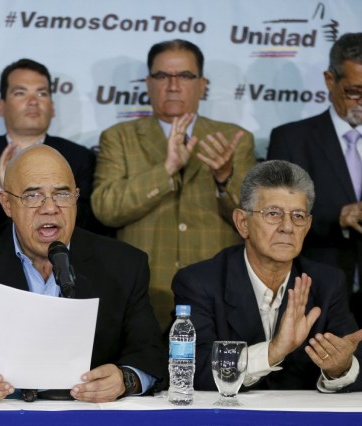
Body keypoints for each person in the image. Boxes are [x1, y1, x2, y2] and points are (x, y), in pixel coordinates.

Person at [0, 144, 165, 403]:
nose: (50, 208)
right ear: (7, 203)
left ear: (76, 197)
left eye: (62, 195)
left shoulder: (123, 263)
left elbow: (151, 355)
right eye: (32, 196)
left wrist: (124, 380)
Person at [91, 39, 256, 330]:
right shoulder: (119, 137)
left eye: (185, 76)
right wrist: (166, 169)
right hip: (143, 293)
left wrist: (224, 177)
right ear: (148, 83)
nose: (173, 85)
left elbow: (253, 220)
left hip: (216, 294)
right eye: (163, 76)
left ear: (202, 84)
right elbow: (106, 208)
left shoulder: (233, 139)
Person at [172, 160, 362, 392]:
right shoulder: (200, 282)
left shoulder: (327, 283)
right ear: (242, 223)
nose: (287, 227)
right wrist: (273, 351)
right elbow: (190, 371)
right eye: (273, 213)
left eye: (298, 216)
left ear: (307, 226)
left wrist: (340, 368)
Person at [268, 32, 362, 344]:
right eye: (355, 92)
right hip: (313, 295)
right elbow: (273, 220)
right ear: (330, 80)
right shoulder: (291, 140)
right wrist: (338, 218)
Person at [0, 58, 103, 237]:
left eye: (41, 93)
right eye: (20, 93)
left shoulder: (78, 158)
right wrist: (2, 189)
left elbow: (90, 226)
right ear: (1, 107)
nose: (33, 101)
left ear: (52, 107)